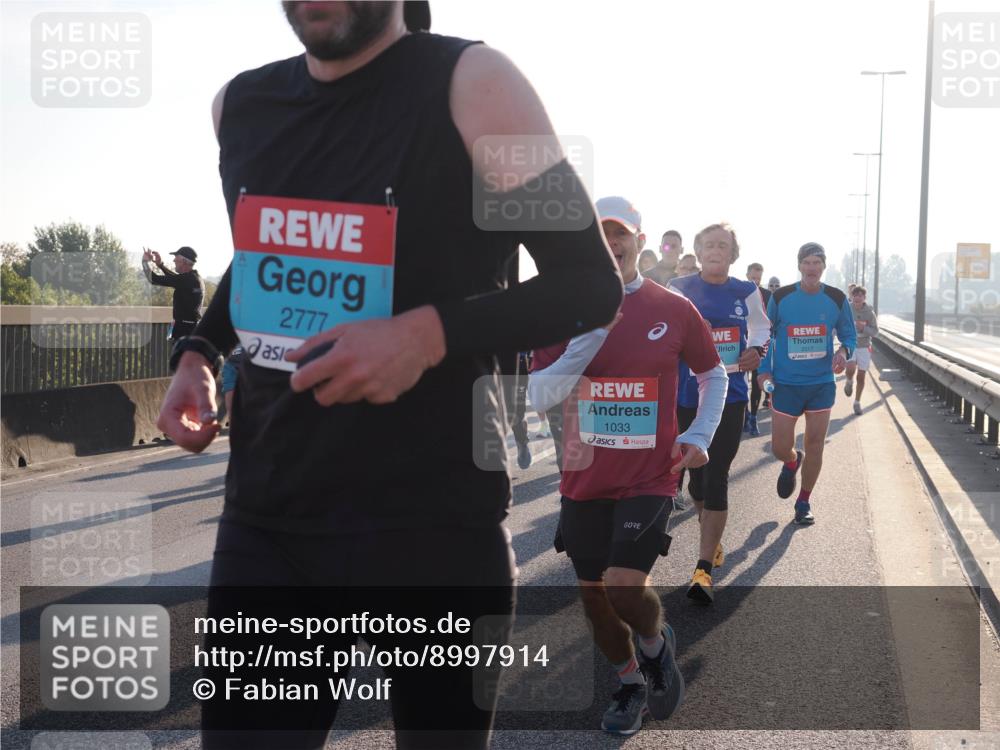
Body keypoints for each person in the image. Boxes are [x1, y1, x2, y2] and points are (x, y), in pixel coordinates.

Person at [156, 3, 624, 748]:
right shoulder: (240, 105)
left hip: (432, 523)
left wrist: (427, 334)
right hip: (272, 522)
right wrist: (198, 354)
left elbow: (587, 283)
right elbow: (263, 252)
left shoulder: (473, 82)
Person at [529, 197, 727, 734]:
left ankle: (654, 647)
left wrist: (699, 433)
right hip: (584, 478)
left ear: (640, 241)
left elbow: (714, 376)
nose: (611, 244)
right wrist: (588, 335)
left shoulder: (674, 307)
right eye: (599, 234)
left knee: (621, 585)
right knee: (595, 601)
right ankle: (630, 681)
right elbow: (538, 394)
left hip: (651, 475)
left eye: (621, 234)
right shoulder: (560, 309)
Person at [670, 226, 769, 603]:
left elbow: (762, 328)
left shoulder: (745, 292)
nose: (715, 250)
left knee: (717, 477)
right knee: (696, 481)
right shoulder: (679, 287)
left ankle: (702, 570)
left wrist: (755, 352)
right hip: (687, 394)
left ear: (732, 254)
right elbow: (662, 334)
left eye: (722, 246)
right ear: (698, 250)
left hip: (730, 395)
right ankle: (710, 537)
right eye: (708, 245)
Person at [757, 243, 856, 525]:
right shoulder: (783, 296)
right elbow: (765, 335)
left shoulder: (836, 298)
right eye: (807, 262)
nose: (812, 268)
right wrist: (764, 372)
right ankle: (790, 461)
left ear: (823, 266)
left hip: (820, 384)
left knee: (815, 444)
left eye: (817, 262)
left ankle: (804, 501)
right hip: (786, 384)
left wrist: (842, 352)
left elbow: (848, 335)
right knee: (779, 447)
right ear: (799, 265)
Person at [142, 246, 205, 341]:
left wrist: (144, 262)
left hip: (184, 331)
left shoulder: (186, 279)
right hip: (191, 328)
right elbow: (176, 279)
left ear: (183, 261)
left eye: (176, 258)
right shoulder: (194, 277)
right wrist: (160, 265)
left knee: (180, 356)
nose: (174, 260)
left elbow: (153, 279)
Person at [744, 262, 771, 436]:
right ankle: (745, 413)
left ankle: (753, 417)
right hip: (741, 341)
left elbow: (771, 318)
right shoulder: (738, 291)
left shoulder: (767, 295)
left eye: (758, 278)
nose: (755, 281)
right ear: (747, 275)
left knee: (756, 382)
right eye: (753, 277)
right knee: (742, 382)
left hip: (759, 342)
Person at [844, 286, 878, 416]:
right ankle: (848, 381)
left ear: (864, 298)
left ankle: (857, 402)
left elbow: (875, 332)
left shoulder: (869, 313)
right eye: (855, 295)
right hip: (850, 344)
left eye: (860, 296)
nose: (857, 298)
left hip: (864, 346)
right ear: (852, 297)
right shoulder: (846, 309)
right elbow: (840, 325)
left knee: (861, 376)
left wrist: (863, 328)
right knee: (851, 368)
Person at [220, 344, 244, 426]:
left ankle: (232, 418)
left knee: (230, 389)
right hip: (234, 361)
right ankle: (232, 418)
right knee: (230, 389)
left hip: (233, 360)